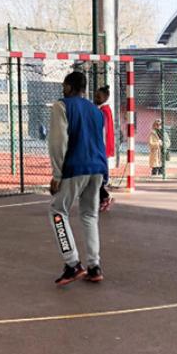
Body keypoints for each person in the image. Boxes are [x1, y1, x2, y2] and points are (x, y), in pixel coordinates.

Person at [48, 71, 108, 286]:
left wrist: (57, 174)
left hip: (75, 168)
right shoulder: (97, 111)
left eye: (64, 85)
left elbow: (58, 142)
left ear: (69, 87)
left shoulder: (62, 106)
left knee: (57, 212)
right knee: (90, 216)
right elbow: (100, 143)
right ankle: (94, 265)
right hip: (97, 169)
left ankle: (72, 263)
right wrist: (105, 177)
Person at [94, 85, 116, 211]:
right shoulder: (105, 110)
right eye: (96, 95)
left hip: (100, 149)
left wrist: (99, 148)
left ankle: (105, 197)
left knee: (97, 177)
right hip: (102, 149)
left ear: (105, 97)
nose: (96, 97)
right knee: (96, 177)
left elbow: (103, 132)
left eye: (98, 96)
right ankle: (103, 198)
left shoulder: (103, 112)